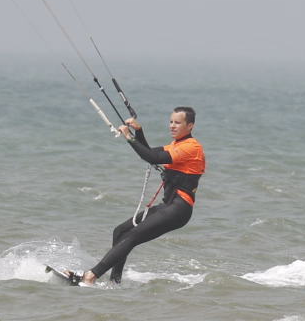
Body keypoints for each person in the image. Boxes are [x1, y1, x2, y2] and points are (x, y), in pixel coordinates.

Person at [63, 106, 203, 286]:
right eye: (171, 122)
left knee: (133, 235)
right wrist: (138, 131)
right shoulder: (177, 145)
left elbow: (152, 157)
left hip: (179, 208)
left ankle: (91, 276)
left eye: (178, 123)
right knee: (120, 231)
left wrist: (129, 137)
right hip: (168, 206)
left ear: (189, 126)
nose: (172, 126)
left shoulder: (191, 148)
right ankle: (115, 282)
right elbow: (150, 152)